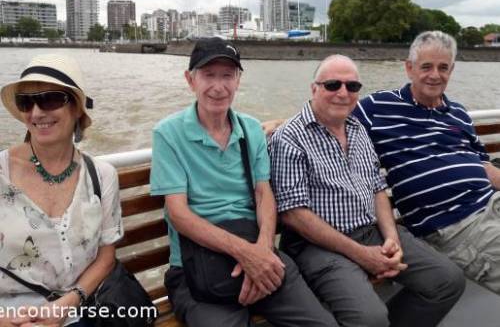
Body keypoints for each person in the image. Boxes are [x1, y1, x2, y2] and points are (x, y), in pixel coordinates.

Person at [150, 37, 338, 327]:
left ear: (238, 80)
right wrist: (246, 254)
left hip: (257, 247)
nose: (218, 86)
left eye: (227, 75)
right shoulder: (168, 133)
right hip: (194, 264)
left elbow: (263, 193)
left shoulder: (250, 130)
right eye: (208, 75)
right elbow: (179, 214)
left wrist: (263, 250)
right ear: (190, 80)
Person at [268, 54, 465, 327]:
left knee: (447, 281)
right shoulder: (290, 137)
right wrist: (362, 255)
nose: (343, 93)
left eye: (352, 87)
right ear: (314, 88)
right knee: (370, 318)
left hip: (371, 232)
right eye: (332, 85)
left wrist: (392, 239)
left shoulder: (358, 129)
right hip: (317, 245)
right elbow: (294, 215)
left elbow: (377, 188)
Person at [352, 30, 500, 293]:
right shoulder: (377, 108)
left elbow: (483, 164)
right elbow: (328, 114)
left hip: (491, 205)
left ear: (452, 70)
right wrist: (275, 125)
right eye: (426, 67)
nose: (435, 75)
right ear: (409, 69)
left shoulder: (458, 112)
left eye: (443, 67)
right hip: (458, 226)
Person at [0, 55, 123, 327]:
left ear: (77, 107)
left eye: (50, 99)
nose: (36, 113)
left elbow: (106, 256)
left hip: (79, 311)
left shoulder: (102, 176)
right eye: (26, 102)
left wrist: (68, 303)